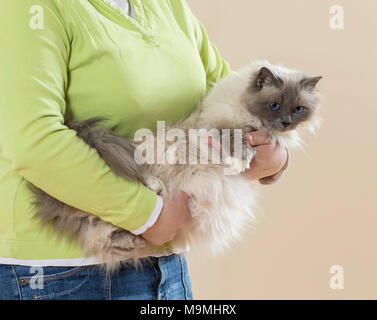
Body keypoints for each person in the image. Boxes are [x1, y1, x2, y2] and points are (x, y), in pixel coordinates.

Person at [0, 0, 288, 300]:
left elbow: (231, 94)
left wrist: (273, 155)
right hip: (63, 274)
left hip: (165, 267)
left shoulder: (167, 5)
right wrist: (148, 215)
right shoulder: (28, 7)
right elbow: (33, 141)